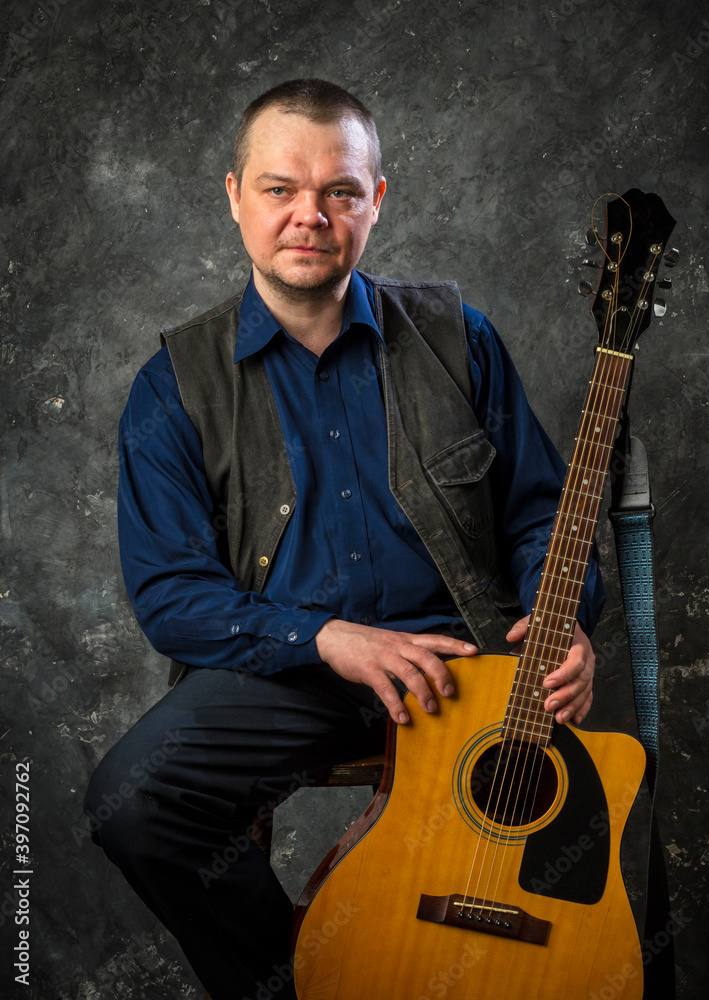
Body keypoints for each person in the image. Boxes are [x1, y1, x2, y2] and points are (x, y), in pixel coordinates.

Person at [85, 78, 605, 1000]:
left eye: (340, 191)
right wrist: (323, 637)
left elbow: (538, 515)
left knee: (560, 893)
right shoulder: (173, 383)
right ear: (235, 196)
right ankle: (311, 980)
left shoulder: (460, 338)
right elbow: (171, 597)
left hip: (471, 670)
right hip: (289, 678)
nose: (309, 216)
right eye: (281, 188)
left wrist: (560, 617)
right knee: (137, 801)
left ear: (376, 201)